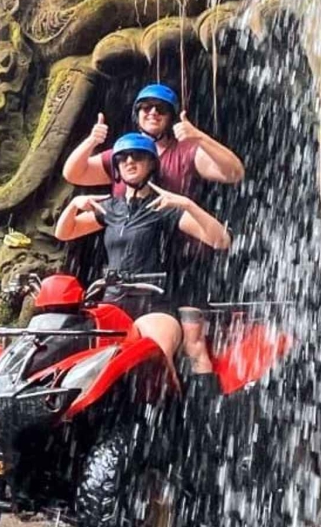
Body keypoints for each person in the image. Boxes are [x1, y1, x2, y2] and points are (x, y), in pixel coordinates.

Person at [53, 132, 230, 378]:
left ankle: (188, 410)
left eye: (137, 156)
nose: (129, 162)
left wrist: (187, 204)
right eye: (123, 158)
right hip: (112, 300)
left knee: (155, 353)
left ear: (151, 164)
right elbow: (64, 233)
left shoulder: (164, 206)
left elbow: (220, 240)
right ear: (116, 167)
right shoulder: (111, 208)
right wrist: (73, 206)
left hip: (154, 301)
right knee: (77, 349)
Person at [62, 83, 245, 197]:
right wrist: (91, 141)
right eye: (146, 107)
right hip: (132, 252)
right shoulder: (124, 155)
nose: (153, 113)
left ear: (171, 117)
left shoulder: (186, 152)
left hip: (179, 249)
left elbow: (234, 173)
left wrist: (199, 137)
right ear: (137, 114)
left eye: (161, 108)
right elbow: (74, 174)